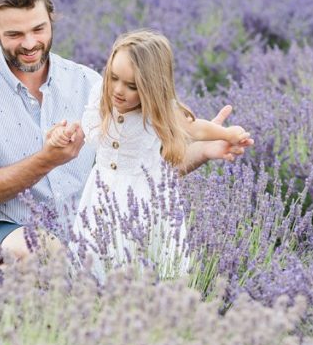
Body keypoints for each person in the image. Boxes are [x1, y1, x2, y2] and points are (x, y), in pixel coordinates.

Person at [0, 0, 249, 263]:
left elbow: (135, 165)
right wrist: (48, 159)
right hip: (3, 229)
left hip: (89, 231)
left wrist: (206, 149)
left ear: (52, 18)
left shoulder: (92, 85)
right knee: (42, 253)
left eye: (38, 29)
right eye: (14, 34)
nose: (30, 43)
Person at [65, 30, 251, 280]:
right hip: (99, 195)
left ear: (150, 88)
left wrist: (227, 134)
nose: (118, 90)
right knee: (93, 260)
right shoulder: (101, 95)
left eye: (131, 86)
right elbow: (88, 129)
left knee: (135, 261)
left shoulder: (158, 112)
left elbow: (195, 128)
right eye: (114, 78)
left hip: (142, 203)